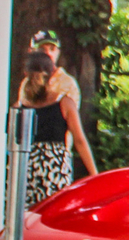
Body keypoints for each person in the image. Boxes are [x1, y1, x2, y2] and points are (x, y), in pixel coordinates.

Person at [14, 51, 97, 202]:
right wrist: (94, 174)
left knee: (25, 221)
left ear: (25, 73)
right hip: (54, 170)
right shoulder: (65, 103)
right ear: (52, 73)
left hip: (25, 169)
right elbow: (79, 141)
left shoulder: (18, 108)